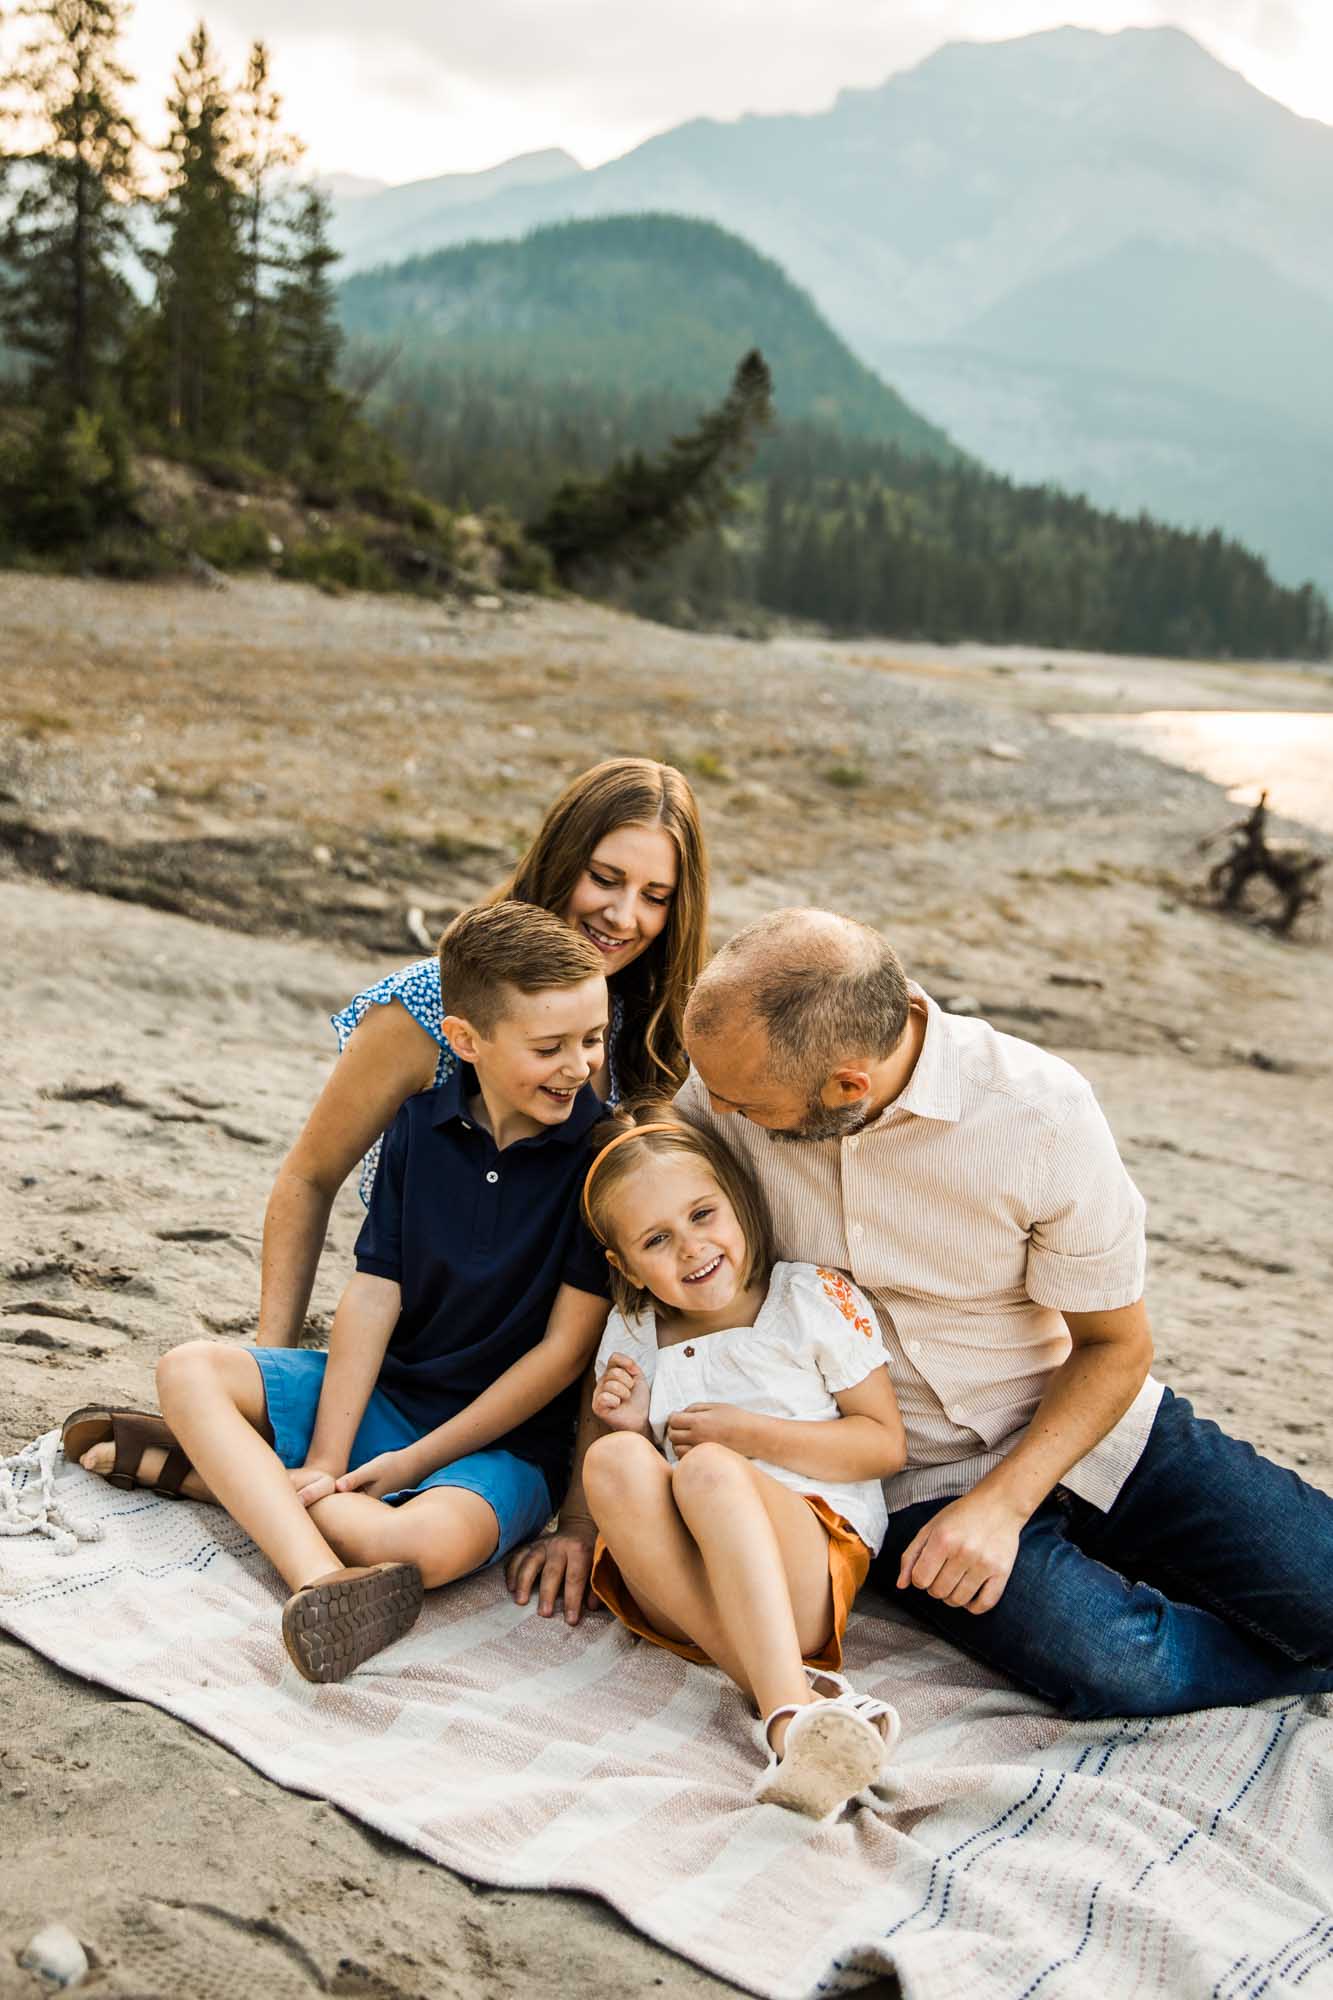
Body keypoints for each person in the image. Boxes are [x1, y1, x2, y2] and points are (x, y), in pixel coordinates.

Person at [515, 907, 1333, 1721]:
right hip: (912, 1483)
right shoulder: (725, 1092)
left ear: (846, 1088)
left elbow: (1114, 1345)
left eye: (745, 1105)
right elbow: (636, 1238)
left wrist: (1005, 1504)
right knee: (1119, 1666)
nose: (717, 1113)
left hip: (1090, 1427)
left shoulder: (1036, 1112)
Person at [64, 904, 613, 1682]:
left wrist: (415, 1460)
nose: (579, 1065)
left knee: (420, 1546)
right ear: (465, 1042)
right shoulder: (419, 1125)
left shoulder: (603, 1156)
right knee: (188, 1368)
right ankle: (317, 1578)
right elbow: (372, 1293)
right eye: (549, 1046)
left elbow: (563, 1356)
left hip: (500, 1447)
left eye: (592, 1040)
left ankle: (223, 1482)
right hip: (387, 1391)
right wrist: (326, 1456)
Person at [258, 758, 709, 1350]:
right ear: (559, 861)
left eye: (655, 896)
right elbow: (310, 1177)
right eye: (603, 878)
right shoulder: (429, 1003)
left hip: (580, 1363)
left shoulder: (657, 1030)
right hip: (432, 1346)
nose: (623, 917)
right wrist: (273, 1360)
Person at [579, 1108, 904, 1820]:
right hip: (688, 1586)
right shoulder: (634, 1332)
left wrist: (747, 1435)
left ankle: (783, 1702)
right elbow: (641, 1473)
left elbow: (883, 1443)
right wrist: (633, 1427)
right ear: (625, 1266)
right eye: (656, 1240)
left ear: (737, 1199)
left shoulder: (806, 1297)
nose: (691, 1247)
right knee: (612, 1460)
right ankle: (790, 1703)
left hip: (806, 1564)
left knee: (710, 1470)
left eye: (702, 1214)